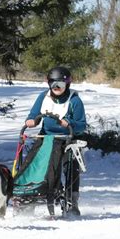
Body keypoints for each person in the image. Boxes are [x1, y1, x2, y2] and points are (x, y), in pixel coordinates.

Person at [25, 66, 86, 215]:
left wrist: (69, 123)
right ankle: (28, 196)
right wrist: (31, 120)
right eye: (54, 84)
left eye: (61, 84)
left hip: (68, 139)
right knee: (32, 164)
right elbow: (33, 115)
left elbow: (82, 125)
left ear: (68, 84)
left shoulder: (75, 100)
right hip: (46, 138)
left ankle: (72, 199)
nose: (57, 87)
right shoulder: (43, 97)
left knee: (70, 165)